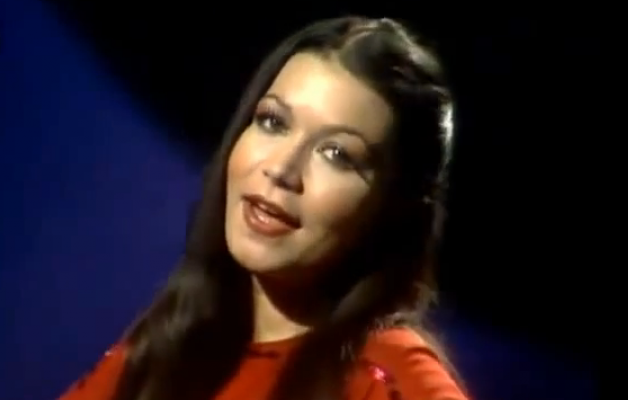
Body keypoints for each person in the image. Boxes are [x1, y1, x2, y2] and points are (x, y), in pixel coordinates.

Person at [59, 16, 468, 400]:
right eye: (274, 122)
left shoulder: (385, 375)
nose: (281, 170)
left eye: (337, 154)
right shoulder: (166, 345)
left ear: (394, 208)